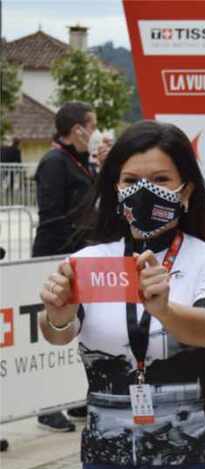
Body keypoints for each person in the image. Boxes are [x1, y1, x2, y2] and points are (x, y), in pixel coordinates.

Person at [37, 120, 205, 469]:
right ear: (115, 189)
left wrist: (164, 309)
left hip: (199, 465)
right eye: (130, 180)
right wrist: (57, 314)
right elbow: (58, 334)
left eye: (161, 179)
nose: (144, 191)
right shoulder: (88, 262)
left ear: (187, 190)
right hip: (109, 466)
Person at [31, 101, 108, 432]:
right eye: (92, 125)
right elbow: (52, 215)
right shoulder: (54, 162)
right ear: (77, 129)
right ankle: (46, 407)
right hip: (55, 257)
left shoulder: (82, 161)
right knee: (47, 332)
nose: (96, 132)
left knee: (79, 329)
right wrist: (73, 252)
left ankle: (76, 399)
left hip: (77, 257)